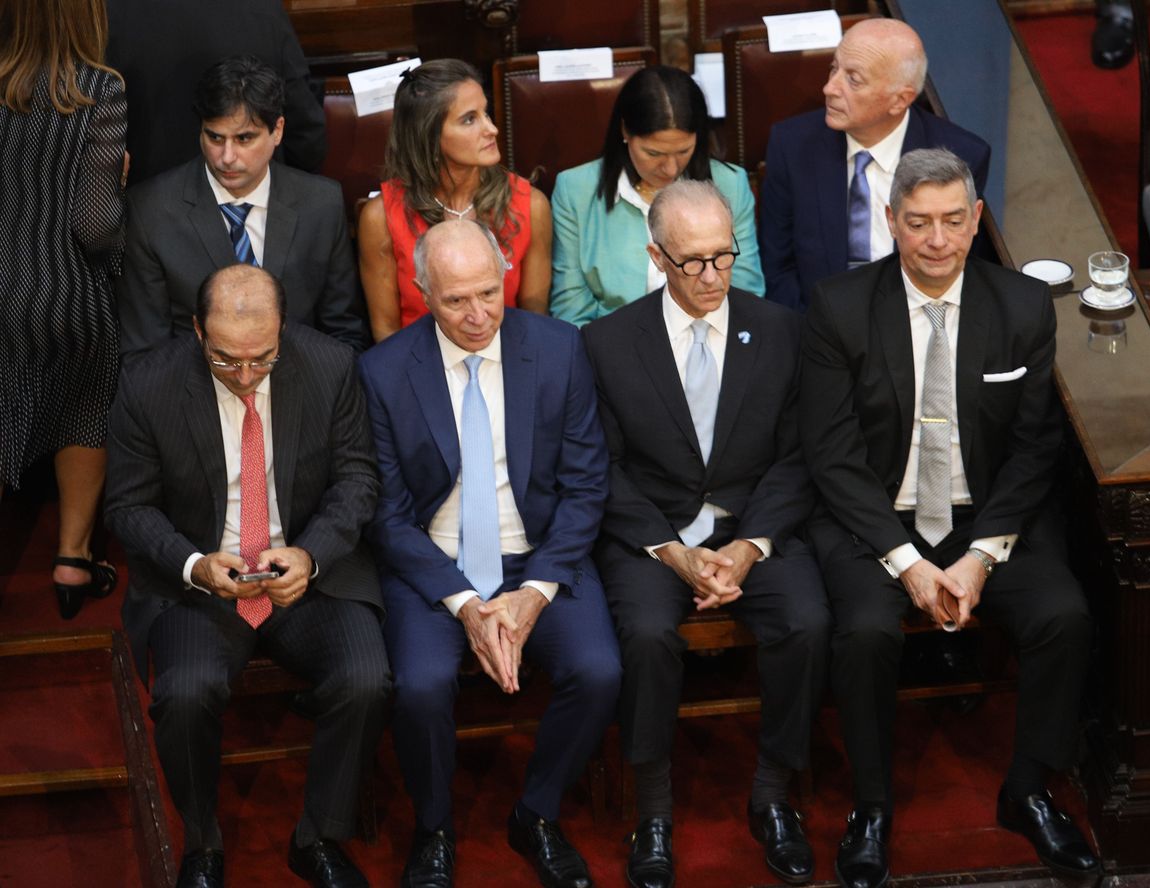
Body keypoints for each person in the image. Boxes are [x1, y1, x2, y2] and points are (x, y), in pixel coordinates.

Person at [799, 148, 1099, 887]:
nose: (937, 240)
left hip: (985, 517)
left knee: (1063, 615)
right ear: (891, 222)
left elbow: (1034, 449)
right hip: (877, 519)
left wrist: (980, 557)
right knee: (865, 631)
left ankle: (1028, 788)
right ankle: (872, 807)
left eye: (952, 221)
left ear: (975, 221)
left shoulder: (1022, 306)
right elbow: (832, 455)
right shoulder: (838, 308)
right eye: (918, 222)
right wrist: (906, 563)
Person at [106, 264, 391, 888]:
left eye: (261, 359)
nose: (243, 375)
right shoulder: (148, 384)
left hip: (305, 576)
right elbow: (128, 506)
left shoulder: (330, 365)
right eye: (224, 359)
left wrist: (311, 555)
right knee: (185, 694)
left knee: (366, 678)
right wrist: (194, 565)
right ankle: (202, 845)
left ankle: (319, 836)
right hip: (201, 584)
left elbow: (357, 478)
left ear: (283, 330)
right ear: (197, 331)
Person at [581, 180, 830, 888]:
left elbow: (798, 456)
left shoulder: (781, 330)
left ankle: (773, 795)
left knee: (808, 622)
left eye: (724, 256)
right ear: (656, 256)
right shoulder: (605, 343)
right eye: (692, 261)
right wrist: (671, 551)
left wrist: (748, 547)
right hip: (652, 536)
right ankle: (653, 811)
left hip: (755, 527)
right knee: (645, 636)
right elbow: (602, 468)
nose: (712, 276)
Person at [358, 220, 620, 888]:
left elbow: (586, 486)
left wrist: (535, 592)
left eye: (488, 293)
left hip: (537, 556)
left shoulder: (559, 349)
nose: (477, 315)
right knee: (420, 686)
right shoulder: (383, 372)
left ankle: (537, 813)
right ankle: (434, 828)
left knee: (597, 671)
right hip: (435, 565)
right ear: (421, 292)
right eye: (455, 301)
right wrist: (464, 604)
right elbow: (386, 515)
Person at [0, 0, 126, 619]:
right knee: (86, 407)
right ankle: (73, 560)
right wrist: (119, 189)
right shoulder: (99, 91)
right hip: (67, 296)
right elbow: (95, 227)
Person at [117, 55, 367, 358]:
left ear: (278, 130)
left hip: (301, 380)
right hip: (195, 385)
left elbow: (344, 336)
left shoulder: (321, 203)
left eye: (244, 138)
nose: (227, 157)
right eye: (215, 137)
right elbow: (145, 356)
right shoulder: (151, 211)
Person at [760, 18, 990, 312]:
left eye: (853, 79)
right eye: (834, 68)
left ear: (899, 100)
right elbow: (778, 268)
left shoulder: (962, 157)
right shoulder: (792, 145)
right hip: (815, 325)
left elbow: (954, 270)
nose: (829, 88)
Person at [551, 65, 764, 327]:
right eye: (654, 154)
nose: (671, 169)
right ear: (625, 131)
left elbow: (746, 294)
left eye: (683, 151)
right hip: (613, 343)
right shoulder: (575, 191)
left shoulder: (730, 184)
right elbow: (571, 311)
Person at [358, 59, 551, 342]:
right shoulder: (380, 219)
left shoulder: (530, 206)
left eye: (486, 113)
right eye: (469, 119)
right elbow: (386, 334)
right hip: (420, 362)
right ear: (429, 135)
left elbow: (534, 328)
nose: (491, 129)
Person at [106, 0, 326, 188]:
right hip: (253, 206)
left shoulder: (108, 11)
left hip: (150, 206)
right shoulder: (262, 7)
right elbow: (306, 134)